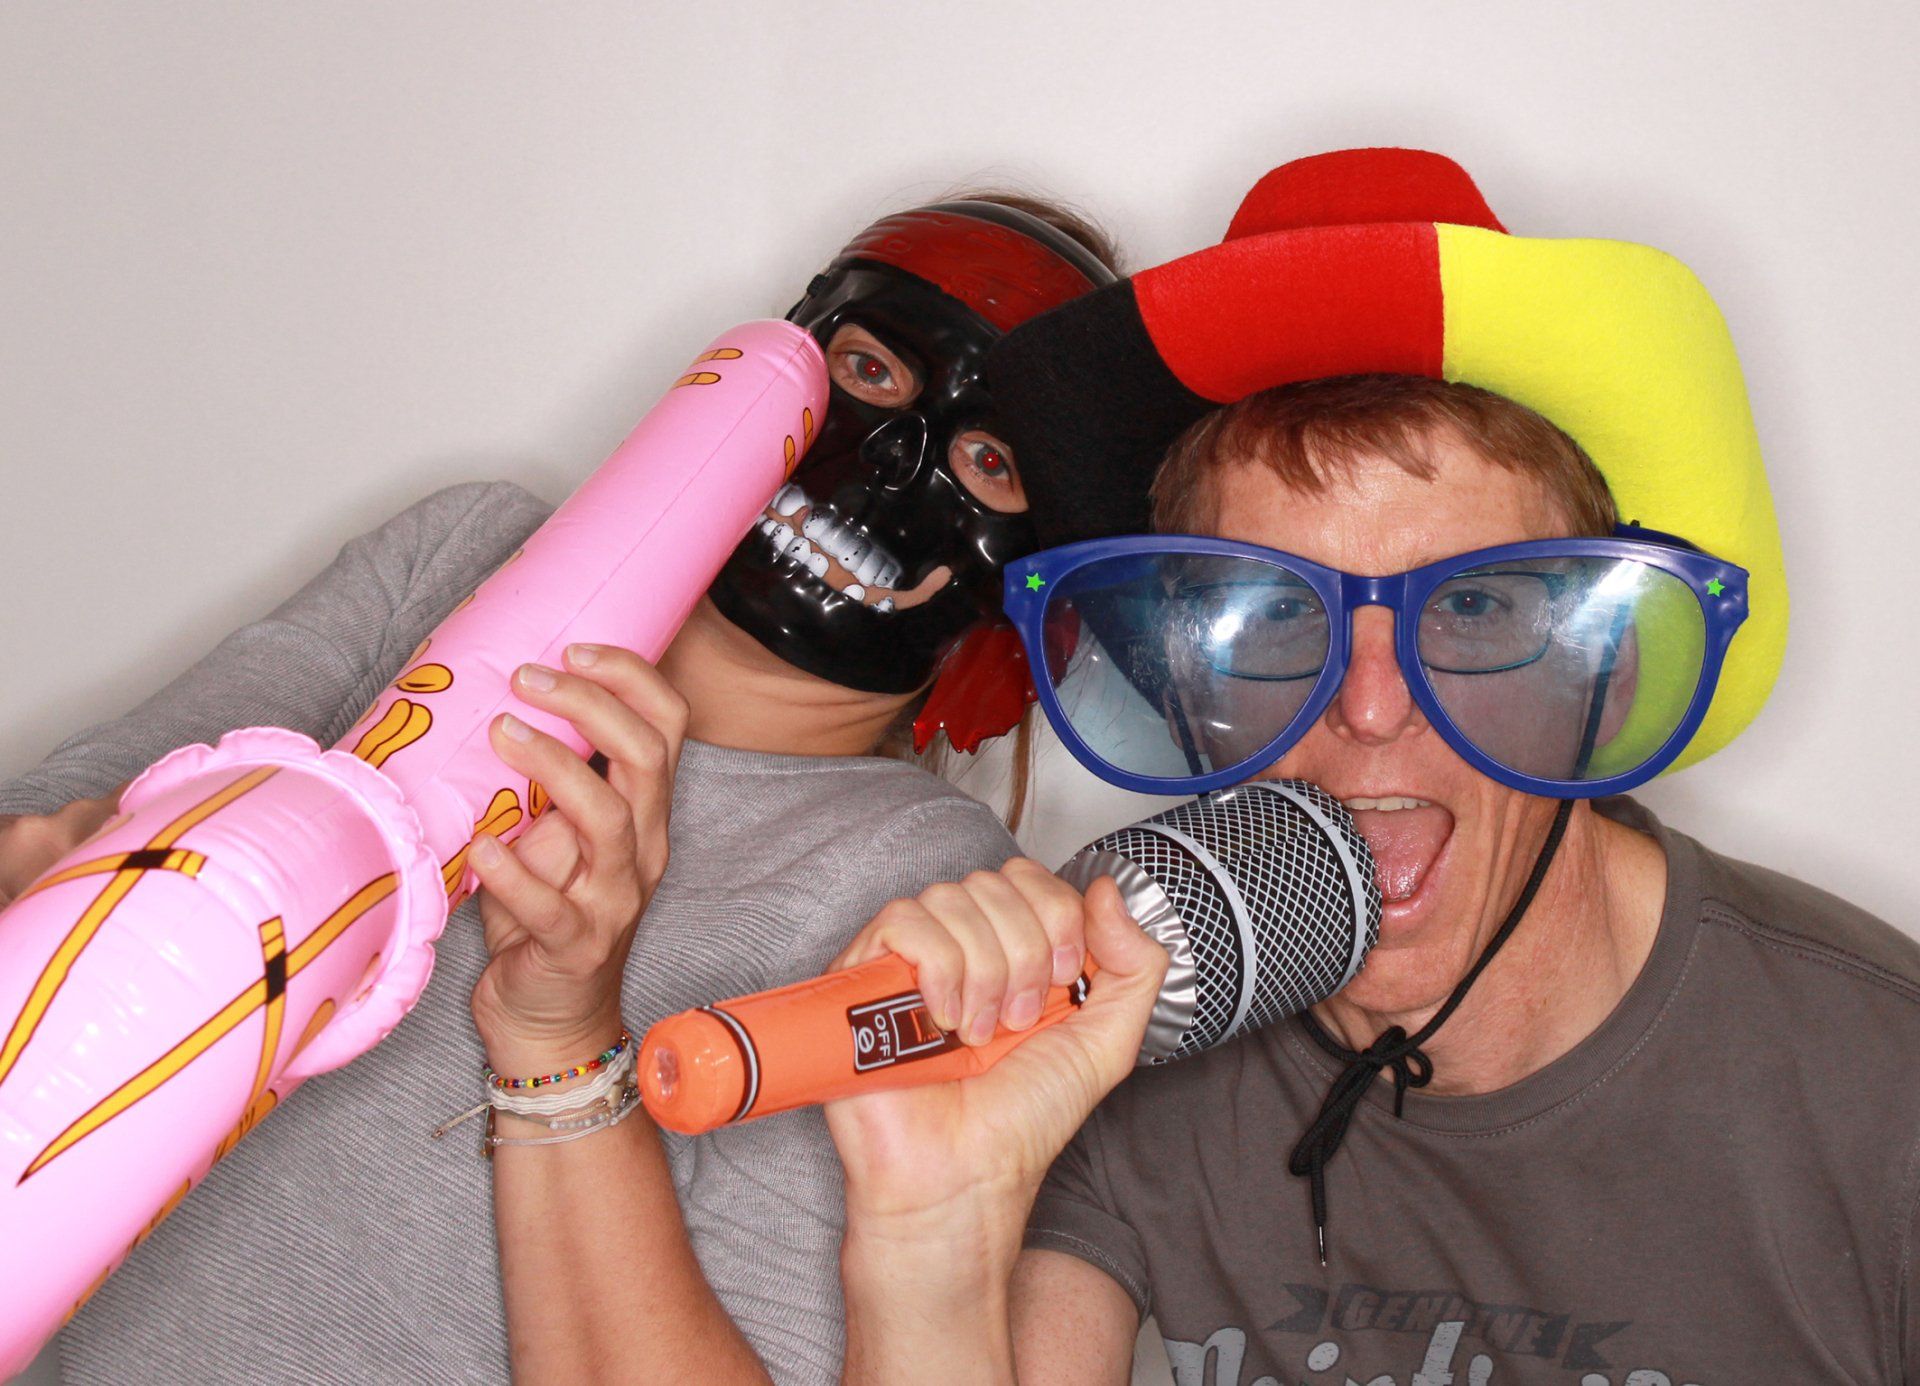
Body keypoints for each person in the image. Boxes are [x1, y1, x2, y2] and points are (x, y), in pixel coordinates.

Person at [822, 150, 1920, 1384]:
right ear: (1186, 686)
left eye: (1478, 607)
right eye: (1277, 616)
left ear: (1603, 673)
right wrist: (926, 1241)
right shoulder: (1129, 998)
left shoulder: (1885, 1088)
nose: (1372, 706)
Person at [0, 190, 1118, 1384]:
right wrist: (118, 869)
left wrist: (567, 1042)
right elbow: (40, 844)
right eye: (870, 370)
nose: (890, 458)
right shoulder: (468, 554)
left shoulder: (925, 892)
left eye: (989, 463)